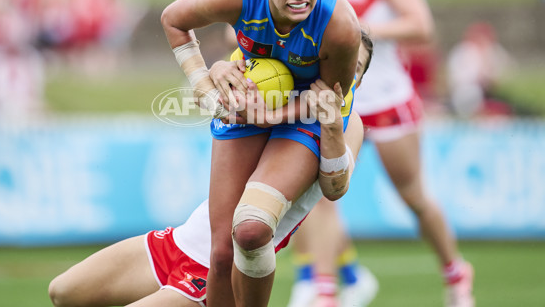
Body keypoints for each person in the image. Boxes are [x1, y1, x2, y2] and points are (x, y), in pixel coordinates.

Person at [47, 37, 374, 307]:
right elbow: (204, 98)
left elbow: (336, 187)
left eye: (356, 68)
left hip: (215, 269)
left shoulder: (350, 122)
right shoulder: (281, 89)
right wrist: (220, 71)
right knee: (63, 292)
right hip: (180, 241)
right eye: (341, 59)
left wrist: (330, 122)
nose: (345, 72)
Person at [160, 0, 360, 307]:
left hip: (311, 112)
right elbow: (173, 20)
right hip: (253, 101)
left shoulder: (341, 27)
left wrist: (267, 116)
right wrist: (206, 85)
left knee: (250, 231)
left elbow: (326, 103)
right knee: (218, 254)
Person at [288, 0, 475, 307]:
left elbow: (422, 27)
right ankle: (326, 290)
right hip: (341, 103)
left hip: (388, 102)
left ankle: (455, 272)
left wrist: (363, 31)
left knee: (413, 197)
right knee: (318, 196)